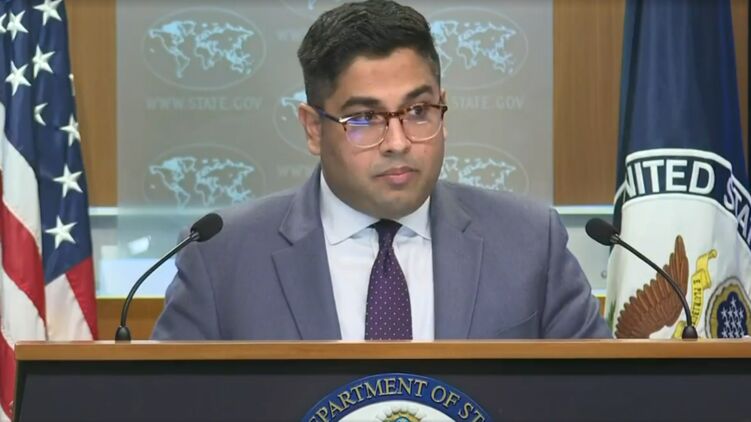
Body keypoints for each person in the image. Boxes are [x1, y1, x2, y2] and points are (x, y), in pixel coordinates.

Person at [152, 0, 611, 340]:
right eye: (364, 119)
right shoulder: (221, 257)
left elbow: (597, 399)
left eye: (418, 111)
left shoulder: (529, 242)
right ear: (313, 129)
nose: (398, 142)